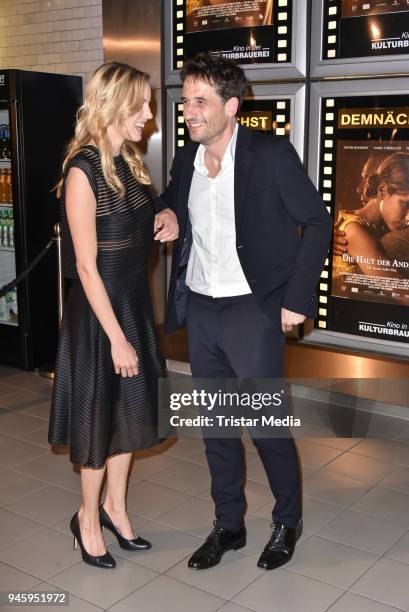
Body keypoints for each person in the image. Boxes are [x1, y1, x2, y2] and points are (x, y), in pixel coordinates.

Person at [156, 53, 332, 571]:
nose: (188, 110)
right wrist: (167, 211)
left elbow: (316, 224)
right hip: (202, 308)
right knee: (215, 426)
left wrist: (296, 300)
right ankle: (228, 525)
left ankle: (288, 520)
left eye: (200, 101)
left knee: (265, 423)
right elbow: (173, 197)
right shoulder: (187, 159)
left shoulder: (271, 154)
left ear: (231, 106)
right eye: (186, 99)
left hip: (254, 310)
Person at [48, 62, 177, 569]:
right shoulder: (82, 170)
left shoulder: (128, 162)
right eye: (142, 105)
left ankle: (116, 509)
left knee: (132, 416)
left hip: (133, 306)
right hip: (100, 317)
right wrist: (117, 338)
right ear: (114, 106)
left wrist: (164, 215)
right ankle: (85, 519)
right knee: (100, 420)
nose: (149, 115)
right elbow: (84, 265)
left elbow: (142, 219)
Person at [332, 152, 409, 304]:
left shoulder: (382, 227)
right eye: (405, 204)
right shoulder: (353, 230)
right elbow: (402, 293)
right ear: (383, 190)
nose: (408, 217)